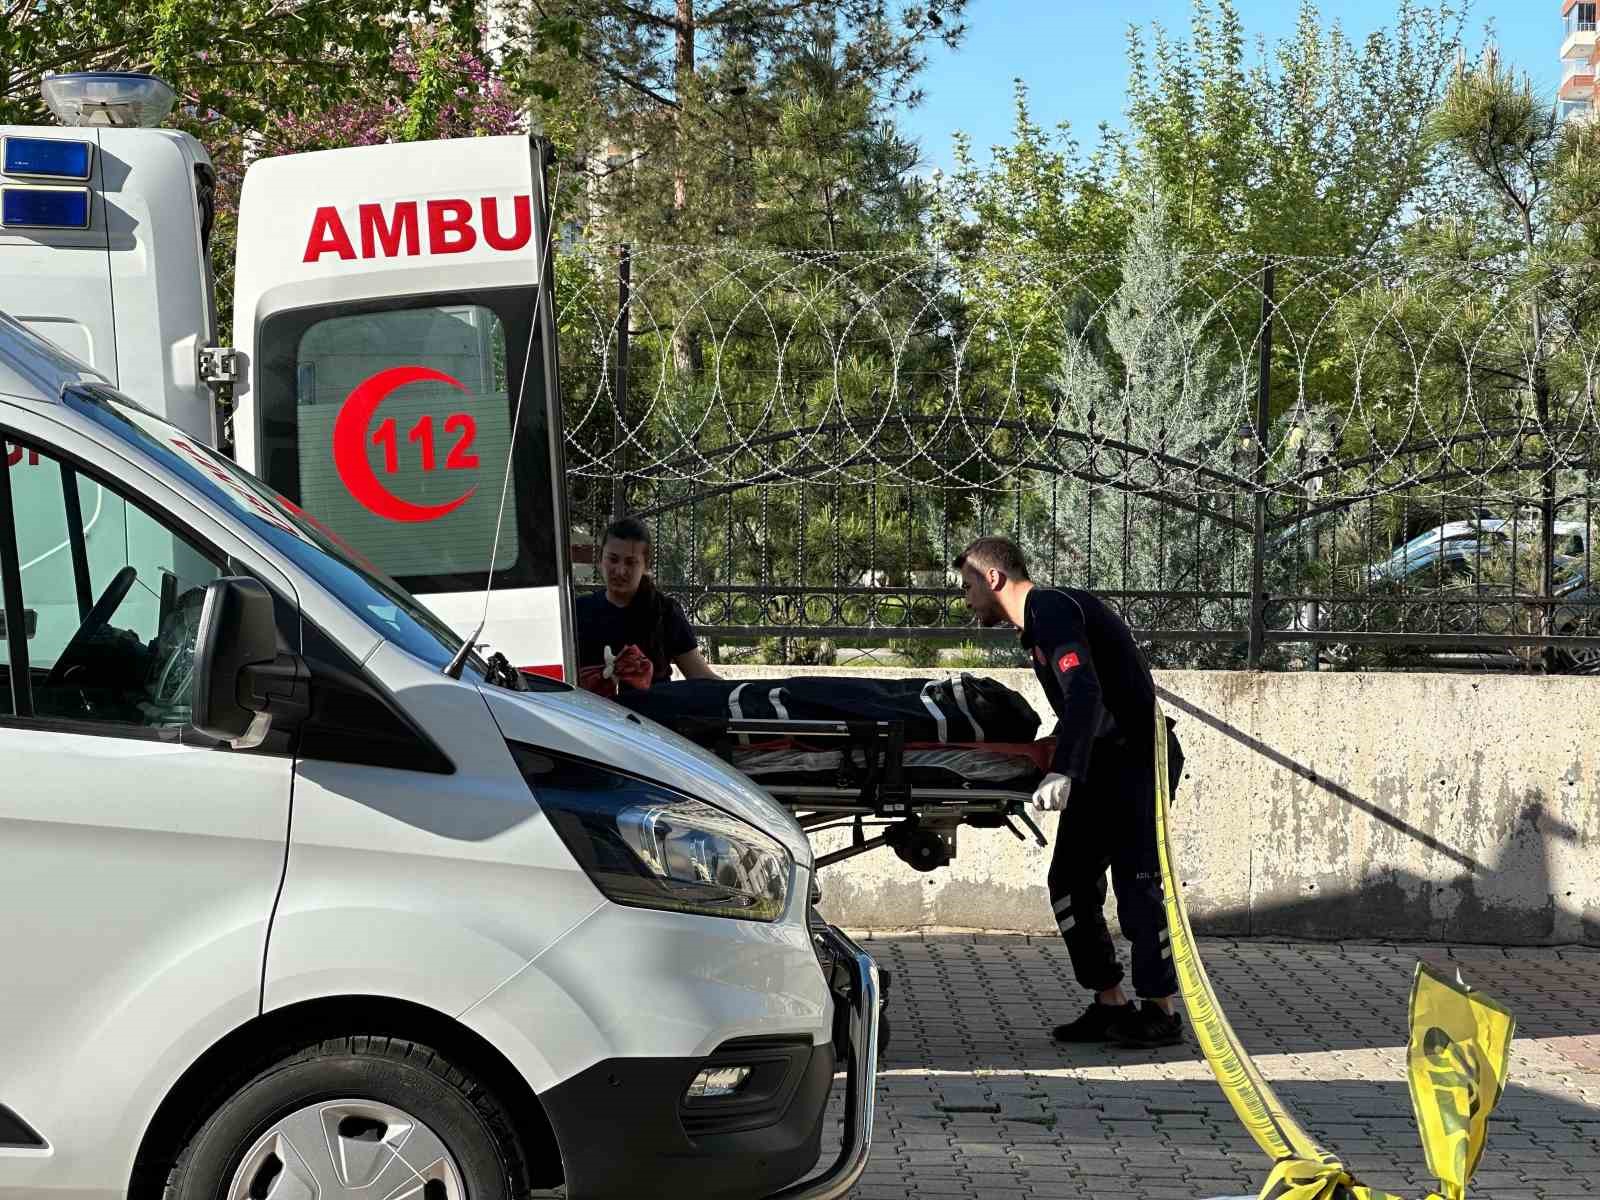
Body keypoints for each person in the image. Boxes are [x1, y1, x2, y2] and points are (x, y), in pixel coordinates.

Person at [955, 535, 1185, 1050]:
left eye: (968, 586)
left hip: (1135, 762)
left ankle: (1161, 1011)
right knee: (1071, 882)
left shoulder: (1052, 609)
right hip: (1102, 762)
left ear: (993, 579)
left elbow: (1085, 692)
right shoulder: (1042, 622)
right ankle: (1110, 1003)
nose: (967, 600)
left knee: (1137, 884)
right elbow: (1086, 702)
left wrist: (1065, 770)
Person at [576, 516, 720, 689]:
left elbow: (700, 676)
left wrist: (747, 695)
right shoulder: (578, 611)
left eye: (631, 562)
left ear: (645, 565)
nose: (620, 571)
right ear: (600, 559)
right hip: (590, 715)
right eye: (613, 559)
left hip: (652, 714)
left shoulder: (665, 612)